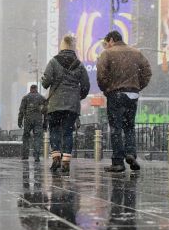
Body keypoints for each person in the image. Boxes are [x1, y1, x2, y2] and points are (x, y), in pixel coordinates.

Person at [96, 30, 152, 173]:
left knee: (116, 128)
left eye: (107, 43)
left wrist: (107, 89)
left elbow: (101, 75)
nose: (106, 46)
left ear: (112, 40)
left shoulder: (107, 54)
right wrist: (137, 86)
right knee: (129, 127)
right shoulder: (136, 53)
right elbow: (147, 72)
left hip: (116, 94)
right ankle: (130, 154)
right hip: (132, 94)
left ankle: (118, 162)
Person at [41, 34, 89, 174]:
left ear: (62, 46)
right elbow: (86, 85)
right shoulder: (79, 64)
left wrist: (45, 78)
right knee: (68, 132)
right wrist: (77, 97)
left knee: (54, 129)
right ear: (73, 47)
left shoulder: (53, 62)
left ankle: (56, 156)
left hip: (55, 103)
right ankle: (66, 161)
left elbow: (45, 83)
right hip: (72, 105)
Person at [18, 84, 45, 162]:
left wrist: (20, 121)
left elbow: (21, 110)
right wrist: (45, 122)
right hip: (38, 120)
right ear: (36, 89)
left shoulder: (25, 97)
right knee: (37, 137)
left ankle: (25, 155)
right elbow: (45, 111)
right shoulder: (41, 98)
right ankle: (36, 156)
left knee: (26, 137)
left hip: (28, 120)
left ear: (30, 89)